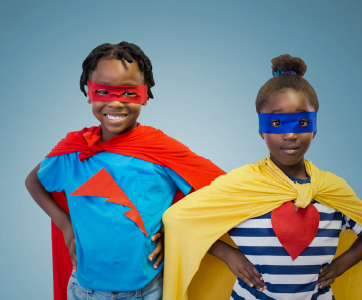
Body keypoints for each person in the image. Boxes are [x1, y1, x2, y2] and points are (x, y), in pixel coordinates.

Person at [162, 54, 362, 300]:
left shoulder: (330, 190)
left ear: (314, 127)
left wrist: (339, 267)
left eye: (301, 121)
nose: (290, 135)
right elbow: (180, 221)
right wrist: (229, 254)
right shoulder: (243, 186)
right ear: (261, 129)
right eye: (277, 122)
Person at [25, 42, 225, 300]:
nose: (116, 103)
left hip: (147, 290)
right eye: (104, 91)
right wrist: (65, 224)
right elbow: (34, 181)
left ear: (145, 94)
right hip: (83, 290)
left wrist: (174, 229)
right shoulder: (74, 150)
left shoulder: (160, 149)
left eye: (128, 93)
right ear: (89, 92)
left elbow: (218, 190)